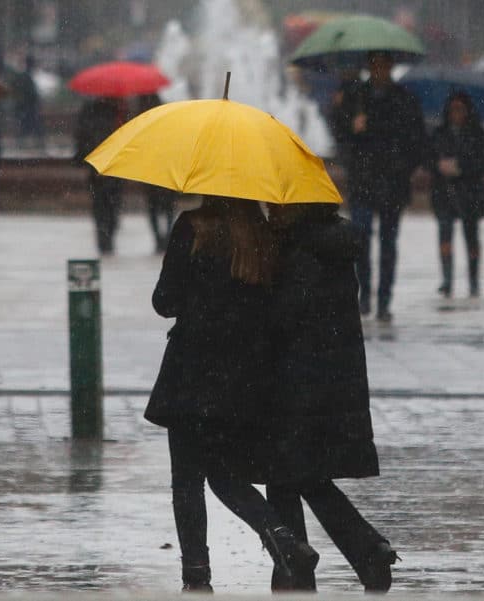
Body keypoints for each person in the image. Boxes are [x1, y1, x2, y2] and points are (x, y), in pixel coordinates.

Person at [146, 197, 320, 592]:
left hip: (192, 372)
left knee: (187, 480)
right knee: (224, 473)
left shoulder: (193, 227)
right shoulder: (262, 234)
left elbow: (164, 301)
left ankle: (197, 576)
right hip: (243, 379)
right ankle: (282, 538)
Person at [264, 202, 397, 593]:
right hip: (331, 380)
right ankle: (362, 551)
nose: (269, 211)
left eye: (275, 205)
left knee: (285, 471)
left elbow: (285, 315)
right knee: (304, 473)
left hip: (298, 381)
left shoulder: (301, 249)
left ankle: (299, 568)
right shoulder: (331, 243)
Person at [329, 51, 426, 322]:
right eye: (374, 65)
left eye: (384, 65)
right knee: (360, 240)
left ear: (390, 67)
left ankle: (384, 299)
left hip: (392, 182)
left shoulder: (403, 99)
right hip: (363, 180)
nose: (379, 70)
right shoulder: (356, 96)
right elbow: (339, 133)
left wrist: (401, 164)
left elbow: (415, 138)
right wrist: (348, 122)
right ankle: (365, 294)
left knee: (388, 243)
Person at [429, 92, 484, 298]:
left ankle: (473, 279)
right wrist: (439, 166)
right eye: (453, 109)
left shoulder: (477, 134)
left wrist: (462, 167)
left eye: (460, 109)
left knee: (471, 237)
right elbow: (427, 156)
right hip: (444, 192)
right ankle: (447, 279)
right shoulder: (439, 133)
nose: (456, 114)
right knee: (445, 234)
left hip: (469, 193)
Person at [74, 97, 126, 255]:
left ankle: (104, 237)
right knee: (109, 204)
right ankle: (106, 236)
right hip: (111, 166)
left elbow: (81, 137)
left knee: (101, 205)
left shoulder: (112, 111)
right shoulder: (116, 112)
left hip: (100, 167)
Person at [135, 93, 176, 253]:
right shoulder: (168, 115)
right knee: (167, 207)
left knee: (154, 207)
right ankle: (165, 236)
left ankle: (159, 237)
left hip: (151, 172)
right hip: (167, 170)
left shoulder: (144, 118)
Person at [12, 55, 45, 149]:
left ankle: (22, 145)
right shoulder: (26, 77)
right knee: (33, 126)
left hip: (25, 108)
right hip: (27, 108)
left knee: (27, 127)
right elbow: (30, 94)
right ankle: (39, 145)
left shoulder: (25, 76)